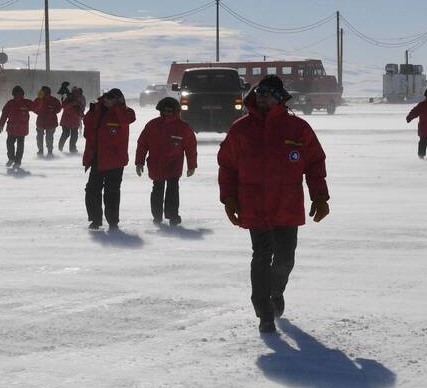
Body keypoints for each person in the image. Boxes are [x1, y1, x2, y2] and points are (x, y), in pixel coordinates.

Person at [217, 75, 330, 334]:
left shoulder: (298, 129)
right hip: (254, 205)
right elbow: (227, 165)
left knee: (285, 260)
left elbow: (315, 164)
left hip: (286, 205)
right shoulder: (241, 129)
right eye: (259, 93)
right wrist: (229, 198)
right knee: (261, 256)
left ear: (280, 97)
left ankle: (275, 292)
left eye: (268, 93)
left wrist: (320, 196)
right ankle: (264, 312)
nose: (263, 97)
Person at [135, 97, 198, 226]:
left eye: (170, 111)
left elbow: (191, 148)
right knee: (157, 190)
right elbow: (142, 144)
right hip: (156, 164)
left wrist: (192, 165)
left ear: (175, 111)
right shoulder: (152, 125)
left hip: (173, 165)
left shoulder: (183, 127)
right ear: (161, 111)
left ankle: (173, 216)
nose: (167, 113)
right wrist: (139, 162)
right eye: (165, 110)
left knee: (172, 190)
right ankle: (157, 217)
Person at [82, 88, 136, 230]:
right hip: (97, 158)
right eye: (106, 98)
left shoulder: (125, 112)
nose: (107, 101)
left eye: (111, 98)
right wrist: (94, 109)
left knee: (112, 192)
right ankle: (95, 219)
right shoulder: (97, 110)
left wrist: (117, 106)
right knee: (92, 190)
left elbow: (127, 119)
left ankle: (113, 221)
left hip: (115, 160)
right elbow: (87, 128)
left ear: (119, 100)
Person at [0, 85, 35, 170]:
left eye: (19, 94)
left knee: (17, 145)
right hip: (13, 128)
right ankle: (12, 159)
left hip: (20, 128)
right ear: (13, 94)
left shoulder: (26, 102)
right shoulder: (10, 103)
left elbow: (36, 107)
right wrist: (1, 124)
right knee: (12, 144)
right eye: (16, 94)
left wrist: (40, 98)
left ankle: (16, 161)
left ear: (22, 94)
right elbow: (4, 114)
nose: (18, 95)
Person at [31, 86, 62, 157]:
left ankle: (49, 150)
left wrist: (53, 112)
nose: (44, 93)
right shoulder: (39, 99)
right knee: (40, 137)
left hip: (51, 122)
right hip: (41, 121)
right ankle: (41, 150)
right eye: (43, 91)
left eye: (45, 91)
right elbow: (34, 107)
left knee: (49, 137)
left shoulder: (54, 100)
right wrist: (39, 112)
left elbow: (59, 108)